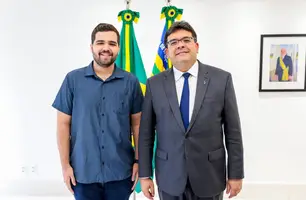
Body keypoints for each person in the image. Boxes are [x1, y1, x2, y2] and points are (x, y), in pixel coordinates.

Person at [138, 21, 244, 200]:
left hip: (210, 176)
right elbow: (146, 134)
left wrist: (236, 174)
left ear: (196, 46)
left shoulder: (221, 79)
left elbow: (233, 132)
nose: (180, 45)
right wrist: (145, 175)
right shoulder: (154, 84)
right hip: (169, 176)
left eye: (186, 40)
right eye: (173, 42)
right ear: (167, 52)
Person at [52, 23, 143, 200]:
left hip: (121, 173)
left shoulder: (131, 82)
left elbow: (138, 124)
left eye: (112, 43)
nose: (106, 48)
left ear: (118, 48)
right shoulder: (73, 80)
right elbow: (63, 125)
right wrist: (65, 166)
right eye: (100, 42)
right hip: (83, 174)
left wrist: (139, 161)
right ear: (92, 46)